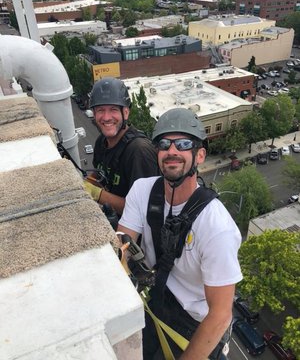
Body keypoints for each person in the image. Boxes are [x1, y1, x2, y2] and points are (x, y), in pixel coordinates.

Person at [117, 108, 243, 360]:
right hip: (156, 299)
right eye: (164, 144)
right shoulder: (142, 192)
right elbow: (121, 247)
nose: (172, 150)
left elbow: (220, 314)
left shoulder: (216, 226)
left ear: (200, 155)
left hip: (194, 322)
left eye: (183, 144)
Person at [83, 77, 159, 216]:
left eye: (113, 109)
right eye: (100, 110)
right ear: (94, 114)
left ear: (125, 113)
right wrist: (82, 186)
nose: (106, 117)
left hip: (136, 234)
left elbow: (141, 210)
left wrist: (96, 194)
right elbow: (100, 174)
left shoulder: (139, 151)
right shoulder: (102, 142)